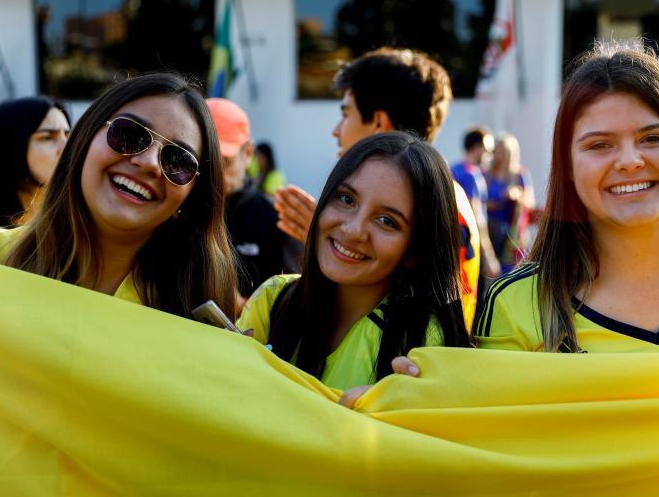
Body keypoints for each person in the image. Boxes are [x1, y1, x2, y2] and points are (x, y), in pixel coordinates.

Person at [473, 42, 659, 353]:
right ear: (567, 166)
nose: (629, 160)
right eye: (600, 145)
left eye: (652, 138)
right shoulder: (515, 304)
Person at [238, 132, 471, 390]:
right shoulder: (273, 299)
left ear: (414, 252)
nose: (353, 230)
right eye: (347, 199)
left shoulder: (423, 344)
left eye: (386, 221)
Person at [274, 47, 482, 332]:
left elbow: (418, 301)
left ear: (378, 123)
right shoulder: (446, 192)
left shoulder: (438, 201)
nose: (337, 130)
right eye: (346, 200)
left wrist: (337, 246)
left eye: (346, 114)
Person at [0, 73, 237, 319]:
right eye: (129, 134)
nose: (149, 163)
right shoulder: (0, 258)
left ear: (192, 195)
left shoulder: (201, 317)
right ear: (85, 138)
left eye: (178, 160)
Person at [206, 98, 284, 308]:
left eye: (223, 161)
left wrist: (241, 305)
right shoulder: (172, 209)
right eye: (205, 159)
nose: (213, 172)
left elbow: (287, 300)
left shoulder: (273, 219)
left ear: (248, 153)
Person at [0, 96, 71, 226]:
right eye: (47, 138)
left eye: (68, 136)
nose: (67, 147)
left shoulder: (75, 219)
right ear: (11, 145)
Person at [452, 128, 501, 281]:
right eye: (488, 150)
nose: (490, 156)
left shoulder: (453, 170)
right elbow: (478, 217)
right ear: (477, 147)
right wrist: (489, 257)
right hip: (470, 249)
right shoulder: (472, 175)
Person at [485, 133, 535, 273]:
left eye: (503, 151)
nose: (499, 155)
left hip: (511, 230)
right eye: (497, 151)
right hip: (489, 227)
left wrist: (517, 195)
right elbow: (479, 202)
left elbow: (529, 203)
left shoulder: (520, 175)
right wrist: (500, 200)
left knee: (510, 271)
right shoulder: (487, 174)